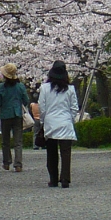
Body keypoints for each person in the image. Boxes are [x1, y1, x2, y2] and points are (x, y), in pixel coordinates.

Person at [39, 60, 79, 188]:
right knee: (66, 153)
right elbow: (74, 108)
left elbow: (42, 108)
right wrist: (70, 119)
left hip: (50, 123)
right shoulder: (70, 89)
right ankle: (65, 179)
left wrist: (43, 121)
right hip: (65, 122)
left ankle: (54, 179)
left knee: (51, 153)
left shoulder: (44, 88)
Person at [0, 63, 30, 172]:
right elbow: (26, 100)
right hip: (17, 114)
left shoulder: (1, 87)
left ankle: (6, 162)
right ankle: (18, 164)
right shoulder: (20, 86)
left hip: (5, 115)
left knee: (5, 140)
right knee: (18, 141)